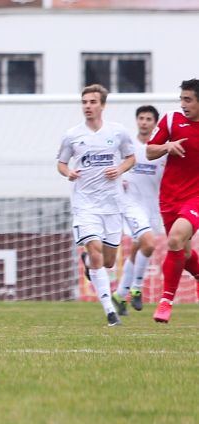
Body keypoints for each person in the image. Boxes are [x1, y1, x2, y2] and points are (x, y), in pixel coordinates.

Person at [57, 84, 135, 327]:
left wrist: (120, 169)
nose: (88, 107)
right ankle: (110, 312)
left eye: (92, 102)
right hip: (85, 206)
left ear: (102, 105)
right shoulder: (72, 135)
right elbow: (60, 163)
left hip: (112, 206)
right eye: (85, 102)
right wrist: (68, 172)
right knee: (95, 250)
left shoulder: (118, 132)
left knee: (109, 261)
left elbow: (131, 157)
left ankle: (91, 267)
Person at [148, 78, 199, 323]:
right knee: (184, 252)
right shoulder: (170, 119)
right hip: (169, 197)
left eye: (188, 99)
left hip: (196, 198)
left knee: (175, 239)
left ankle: (165, 302)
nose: (183, 104)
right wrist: (167, 146)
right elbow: (149, 151)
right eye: (181, 99)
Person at [112, 105, 164, 315]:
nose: (144, 122)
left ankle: (119, 294)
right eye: (141, 118)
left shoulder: (160, 150)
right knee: (149, 244)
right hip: (132, 205)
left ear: (154, 123)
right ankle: (136, 288)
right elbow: (115, 168)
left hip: (153, 206)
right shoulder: (128, 146)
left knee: (139, 249)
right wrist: (119, 181)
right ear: (137, 121)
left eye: (148, 119)